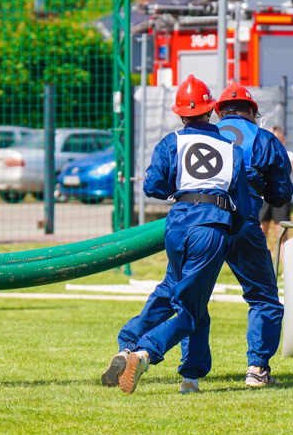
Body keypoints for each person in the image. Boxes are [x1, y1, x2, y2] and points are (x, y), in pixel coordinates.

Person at [99, 75, 252, 394]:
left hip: (178, 224)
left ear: (181, 114)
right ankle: (144, 354)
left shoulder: (172, 142)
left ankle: (134, 347)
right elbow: (245, 206)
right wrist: (227, 231)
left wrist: (182, 191)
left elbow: (153, 185)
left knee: (172, 289)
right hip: (211, 226)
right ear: (211, 111)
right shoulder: (231, 149)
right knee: (191, 306)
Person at [211, 84, 293, 387]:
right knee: (264, 299)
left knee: (181, 296)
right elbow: (282, 191)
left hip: (195, 223)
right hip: (242, 223)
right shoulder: (264, 139)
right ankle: (257, 369)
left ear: (218, 111)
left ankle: (137, 348)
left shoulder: (200, 136)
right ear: (252, 112)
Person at [259, 126, 293, 244]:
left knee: (282, 236)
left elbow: (288, 171)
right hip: (263, 198)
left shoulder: (288, 155)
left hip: (279, 195)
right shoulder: (263, 154)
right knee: (261, 234)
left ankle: (284, 262)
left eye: (278, 138)